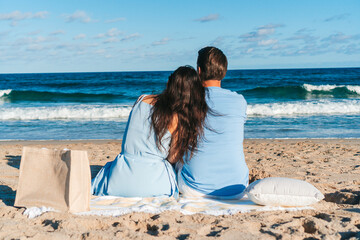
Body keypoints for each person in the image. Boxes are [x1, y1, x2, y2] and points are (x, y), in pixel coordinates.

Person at [91, 66, 209, 197]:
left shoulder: (142, 99)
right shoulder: (178, 118)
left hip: (119, 177)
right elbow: (172, 158)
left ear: (169, 83)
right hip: (155, 184)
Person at [178, 47, 249, 199]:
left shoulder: (188, 100)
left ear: (199, 71)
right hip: (237, 188)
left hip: (194, 188)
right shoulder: (240, 101)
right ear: (223, 72)